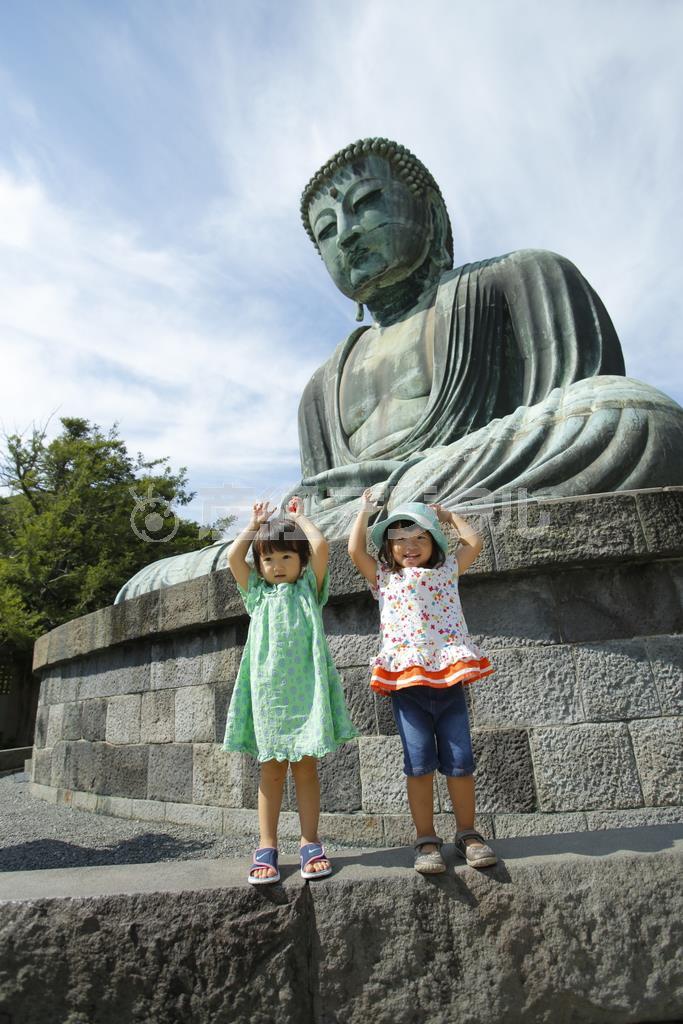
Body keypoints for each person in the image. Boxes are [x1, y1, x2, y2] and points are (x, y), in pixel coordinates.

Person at [296, 137, 683, 536]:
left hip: (472, 473)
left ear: (432, 213)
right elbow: (313, 498)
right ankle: (397, 508)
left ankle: (397, 506)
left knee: (633, 416)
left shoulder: (522, 275)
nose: (346, 235)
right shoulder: (318, 389)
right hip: (379, 507)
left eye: (365, 202)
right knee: (282, 524)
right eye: (327, 230)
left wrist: (420, 474)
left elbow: (583, 407)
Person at [348, 490, 496, 873]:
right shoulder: (384, 578)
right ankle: (426, 839)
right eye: (399, 539)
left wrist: (448, 515)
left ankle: (468, 833)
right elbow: (354, 551)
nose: (409, 546)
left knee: (460, 760)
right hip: (408, 685)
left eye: (419, 538)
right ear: (388, 547)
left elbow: (474, 543)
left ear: (435, 544)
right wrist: (364, 510)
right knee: (418, 762)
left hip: (448, 680)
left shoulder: (446, 571)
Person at [223, 496, 358, 885]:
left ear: (300, 561)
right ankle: (266, 845)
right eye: (268, 559)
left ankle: (309, 841)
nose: (277, 565)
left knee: (306, 769)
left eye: (286, 557)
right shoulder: (257, 594)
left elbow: (321, 546)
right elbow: (233, 558)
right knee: (270, 771)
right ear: (260, 565)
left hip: (306, 695)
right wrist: (254, 526)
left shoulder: (309, 589)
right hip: (268, 696)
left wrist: (302, 519)